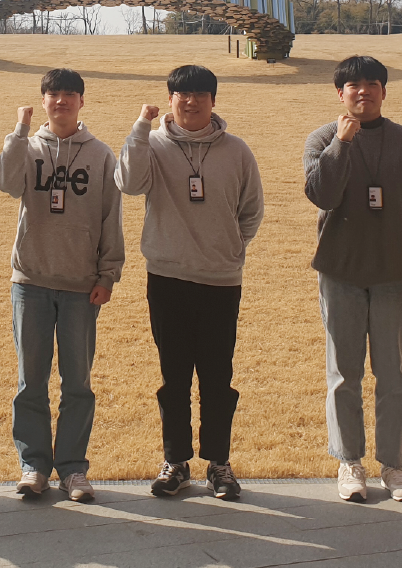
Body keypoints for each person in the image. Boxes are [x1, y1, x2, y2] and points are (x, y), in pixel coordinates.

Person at [114, 65, 264, 501]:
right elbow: (128, 183)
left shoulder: (237, 151)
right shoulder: (153, 144)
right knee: (174, 376)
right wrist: (140, 128)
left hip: (220, 280)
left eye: (200, 94)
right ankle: (175, 462)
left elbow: (251, 210)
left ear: (213, 101)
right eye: (183, 94)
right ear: (171, 99)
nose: (191, 101)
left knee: (218, 376)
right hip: (167, 277)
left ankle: (219, 464)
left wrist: (229, 249)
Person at [303, 55, 402, 504]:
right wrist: (342, 144)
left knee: (394, 376)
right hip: (340, 273)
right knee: (343, 374)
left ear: (384, 91)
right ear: (339, 93)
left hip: (395, 278)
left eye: (372, 84)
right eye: (353, 85)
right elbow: (321, 194)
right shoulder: (322, 139)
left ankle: (394, 466)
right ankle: (349, 462)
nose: (363, 91)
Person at [0, 68, 124, 503]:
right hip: (30, 281)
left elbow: (110, 216)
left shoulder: (100, 154)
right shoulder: (27, 147)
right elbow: (4, 183)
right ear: (43, 99)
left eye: (69, 94)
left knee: (77, 384)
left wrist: (107, 275)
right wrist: (19, 131)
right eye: (53, 94)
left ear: (82, 101)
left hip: (81, 287)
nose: (61, 100)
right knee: (30, 381)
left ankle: (72, 469)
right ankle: (33, 466)